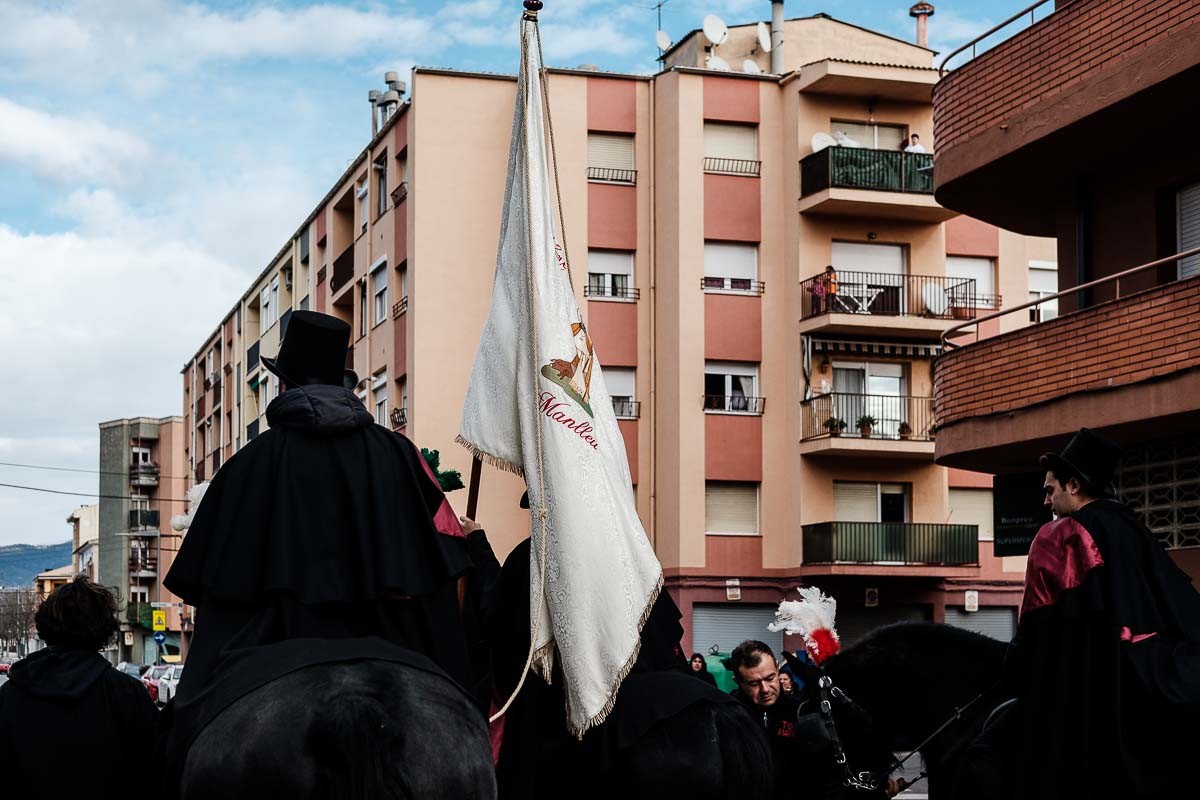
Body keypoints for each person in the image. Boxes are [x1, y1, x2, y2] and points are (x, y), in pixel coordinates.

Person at [162, 311, 475, 788]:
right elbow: (446, 568)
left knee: (180, 747)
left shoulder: (247, 466)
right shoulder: (400, 457)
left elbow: (217, 601)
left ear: (283, 382)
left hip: (271, 642)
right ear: (343, 380)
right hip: (394, 638)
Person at [960, 427, 1200, 799]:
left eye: (1050, 490)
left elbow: (1037, 621)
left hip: (1091, 693)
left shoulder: (1060, 534)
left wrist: (1015, 669)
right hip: (1156, 682)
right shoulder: (1135, 530)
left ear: (1073, 485)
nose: (1046, 501)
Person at [0, 576, 159, 793]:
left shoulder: (10, 695)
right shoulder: (129, 695)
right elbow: (153, 773)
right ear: (104, 628)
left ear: (45, 625)